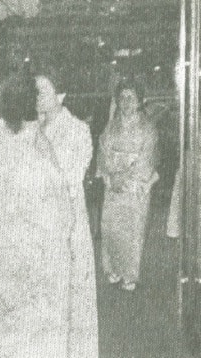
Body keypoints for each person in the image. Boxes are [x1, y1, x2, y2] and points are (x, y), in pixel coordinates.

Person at [0, 70, 97, 357]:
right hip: (41, 262)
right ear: (30, 106)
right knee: (40, 338)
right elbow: (62, 214)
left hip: (4, 259)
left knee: (3, 336)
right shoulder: (38, 146)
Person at [33, 61, 98, 354]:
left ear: (61, 96)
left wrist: (47, 153)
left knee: (69, 299)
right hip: (35, 226)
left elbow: (70, 180)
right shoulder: (31, 126)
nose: (35, 98)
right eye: (33, 92)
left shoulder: (78, 130)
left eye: (42, 92)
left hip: (66, 227)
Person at [98, 77, 159, 291]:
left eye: (131, 98)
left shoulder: (148, 129)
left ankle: (130, 274)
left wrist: (122, 177)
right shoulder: (111, 126)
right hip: (113, 185)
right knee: (110, 229)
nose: (126, 103)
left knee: (133, 230)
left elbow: (146, 159)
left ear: (140, 101)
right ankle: (112, 269)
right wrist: (110, 176)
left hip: (134, 187)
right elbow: (103, 150)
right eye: (122, 98)